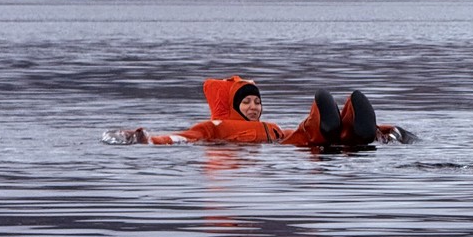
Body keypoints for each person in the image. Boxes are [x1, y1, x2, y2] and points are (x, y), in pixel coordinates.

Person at [123, 75, 403, 148]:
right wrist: (149, 138)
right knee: (313, 133)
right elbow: (183, 137)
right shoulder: (215, 126)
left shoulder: (272, 126)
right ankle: (328, 124)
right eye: (246, 103)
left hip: (282, 143)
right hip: (270, 150)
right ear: (235, 106)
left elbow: (290, 136)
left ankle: (355, 128)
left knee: (309, 135)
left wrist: (388, 130)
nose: (254, 107)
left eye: (257, 102)